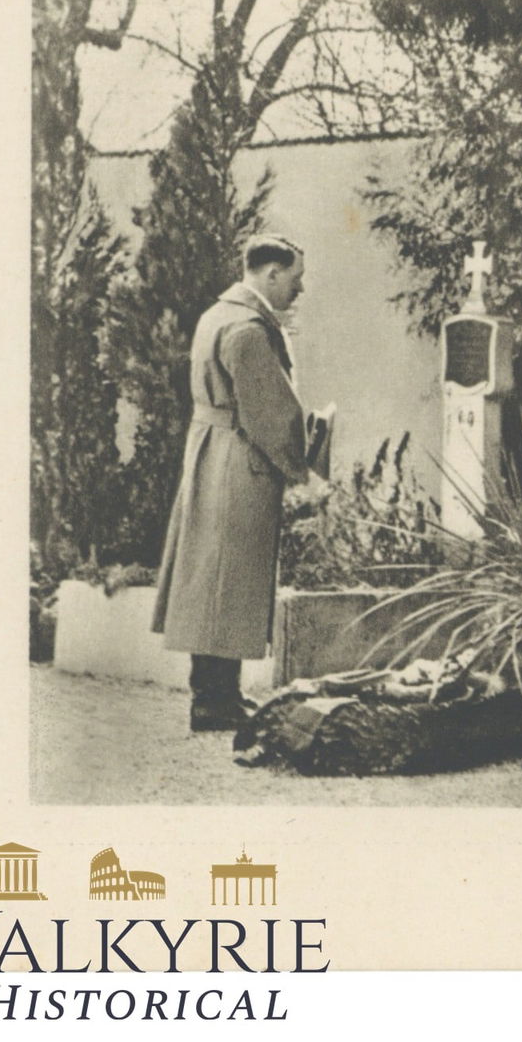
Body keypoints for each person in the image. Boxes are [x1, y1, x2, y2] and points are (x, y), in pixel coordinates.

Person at [151, 235, 311, 732]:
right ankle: (213, 703)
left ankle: (217, 694)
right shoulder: (247, 330)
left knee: (212, 580)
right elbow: (270, 413)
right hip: (240, 460)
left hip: (208, 452)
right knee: (232, 578)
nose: (299, 290)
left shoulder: (214, 316)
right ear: (271, 274)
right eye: (295, 279)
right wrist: (302, 456)